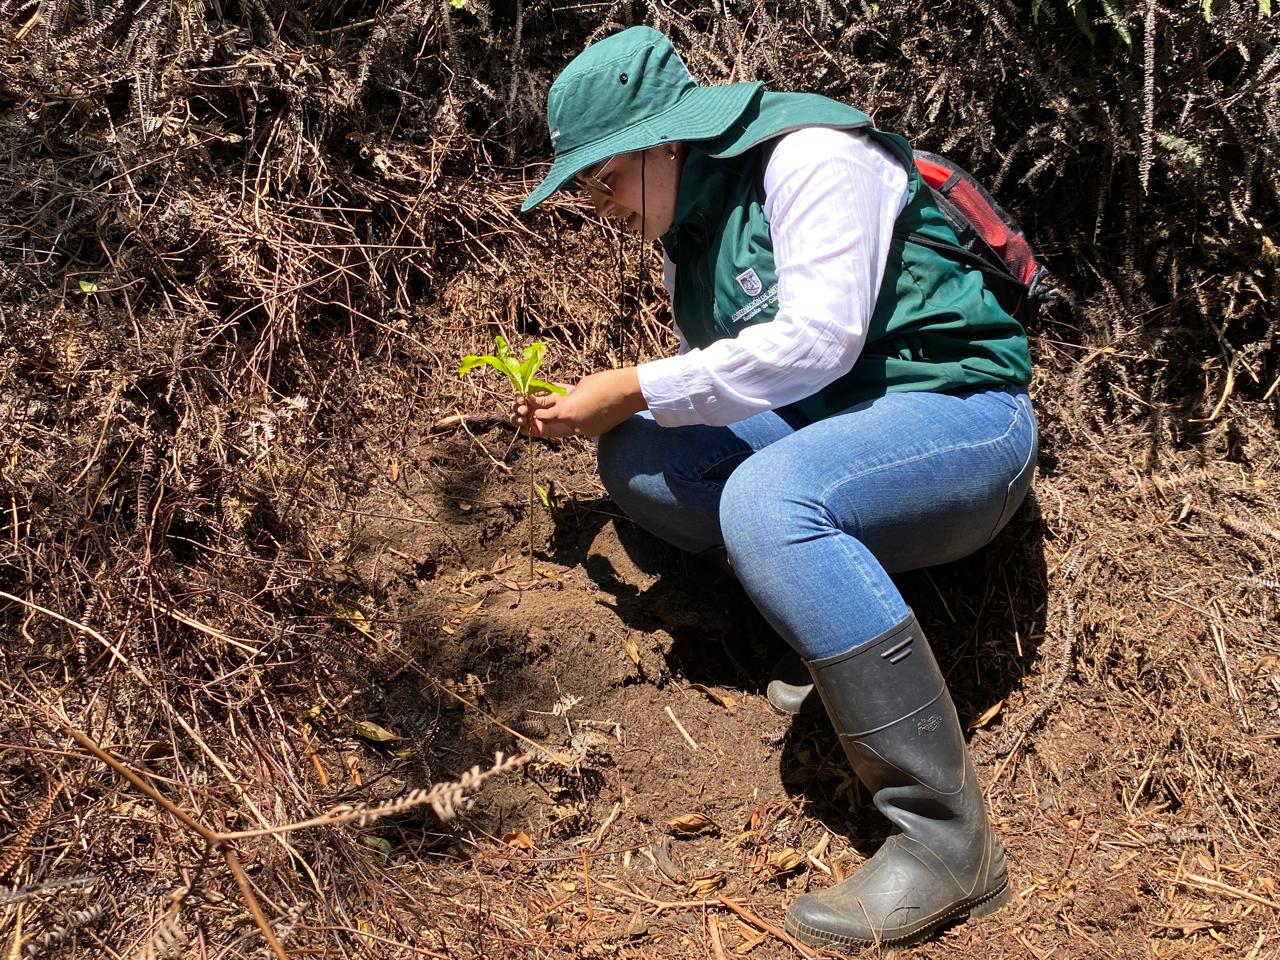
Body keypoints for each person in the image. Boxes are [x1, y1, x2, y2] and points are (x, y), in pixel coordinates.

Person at [515, 26, 1037, 950]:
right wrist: (604, 410)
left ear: (665, 142)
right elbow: (729, 376)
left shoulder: (812, 158)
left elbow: (818, 343)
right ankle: (824, 628)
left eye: (603, 179)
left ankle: (949, 842)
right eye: (583, 190)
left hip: (958, 421)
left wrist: (631, 383)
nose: (595, 206)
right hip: (840, 430)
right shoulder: (694, 223)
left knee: (766, 501)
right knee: (642, 460)